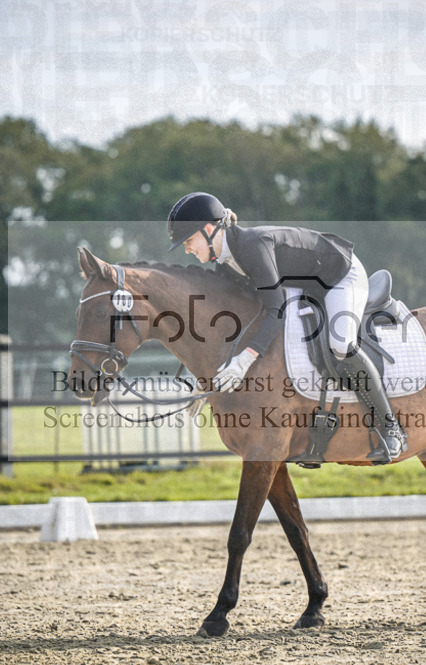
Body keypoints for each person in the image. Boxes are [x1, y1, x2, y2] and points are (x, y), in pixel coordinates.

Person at [166, 191, 407, 464]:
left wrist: (244, 361)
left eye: (189, 241)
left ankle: (392, 429)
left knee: (341, 345)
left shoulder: (253, 246)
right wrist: (204, 382)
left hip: (340, 274)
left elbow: (275, 311)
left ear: (209, 230)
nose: (187, 249)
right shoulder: (224, 263)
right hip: (306, 283)